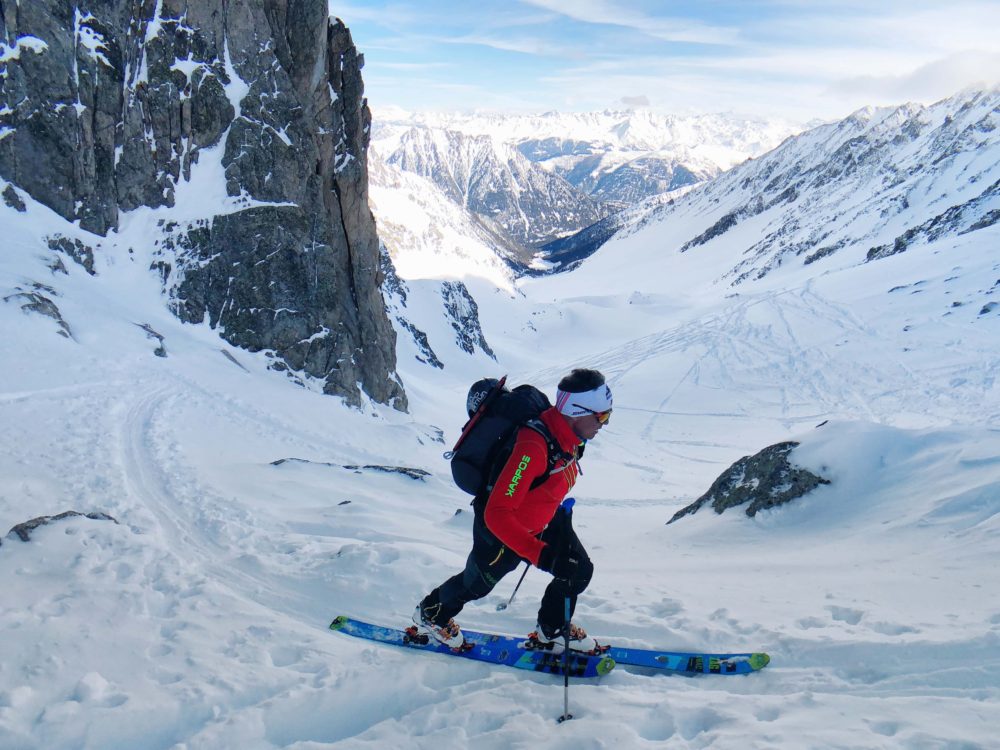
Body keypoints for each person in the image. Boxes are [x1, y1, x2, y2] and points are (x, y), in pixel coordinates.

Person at [413, 368, 612, 653]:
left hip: (543, 519)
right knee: (476, 585)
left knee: (578, 571)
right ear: (576, 411)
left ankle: (552, 629)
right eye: (601, 416)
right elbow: (497, 513)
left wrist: (558, 516)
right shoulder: (532, 447)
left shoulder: (570, 437)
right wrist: (541, 555)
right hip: (503, 533)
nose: (604, 423)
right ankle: (430, 614)